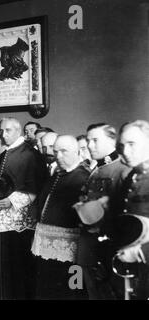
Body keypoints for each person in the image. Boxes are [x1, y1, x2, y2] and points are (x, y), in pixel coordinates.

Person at [73, 123, 130, 299]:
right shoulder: (94, 170)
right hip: (88, 249)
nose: (90, 145)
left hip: (108, 250)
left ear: (112, 140)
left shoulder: (123, 169)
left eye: (95, 140)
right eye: (88, 140)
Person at [0, 117, 46, 299]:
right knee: (5, 265)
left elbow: (37, 185)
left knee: (19, 265)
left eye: (8, 130)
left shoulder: (30, 153)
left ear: (18, 131)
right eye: (2, 130)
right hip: (3, 216)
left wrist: (12, 201)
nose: (4, 134)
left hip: (20, 219)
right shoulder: (7, 152)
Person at [31, 135, 90, 299]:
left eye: (64, 151)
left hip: (73, 251)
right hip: (46, 246)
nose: (58, 156)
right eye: (56, 151)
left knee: (73, 288)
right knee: (48, 287)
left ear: (77, 151)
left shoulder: (85, 177)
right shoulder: (57, 174)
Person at [110, 120, 149, 299]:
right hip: (130, 265)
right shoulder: (132, 175)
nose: (125, 151)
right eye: (122, 146)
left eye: (132, 144)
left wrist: (141, 251)